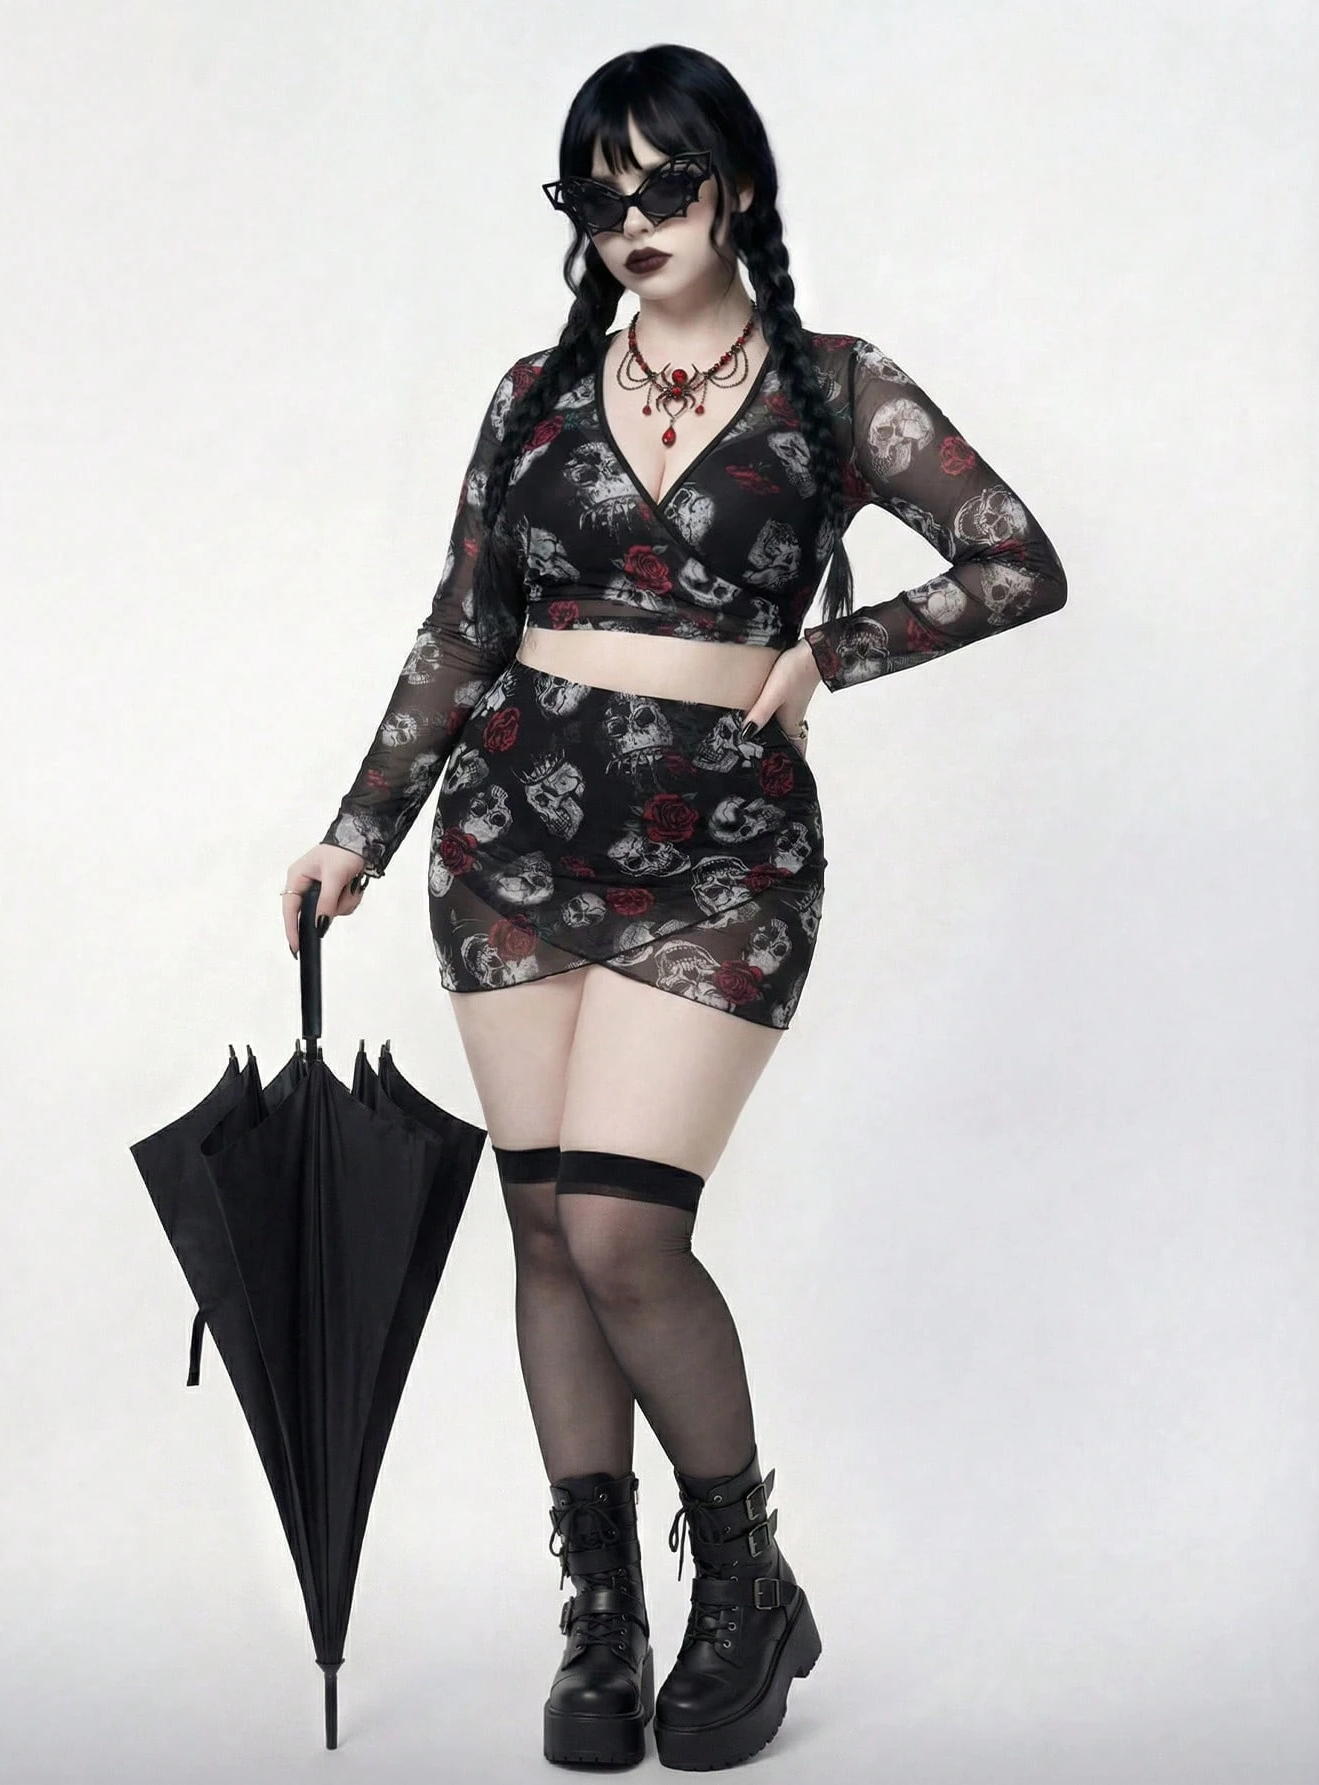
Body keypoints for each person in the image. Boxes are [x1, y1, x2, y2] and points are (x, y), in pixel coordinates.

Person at [280, 42, 1067, 1773]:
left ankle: (745, 1587)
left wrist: (835, 651)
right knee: (545, 1235)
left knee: (626, 1234)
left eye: (664, 184)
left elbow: (1017, 558)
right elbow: (463, 627)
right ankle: (604, 1612)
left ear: (738, 187)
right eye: (597, 193)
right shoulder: (534, 395)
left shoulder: (837, 387)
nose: (631, 219)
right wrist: (358, 831)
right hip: (508, 848)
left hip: (720, 862)